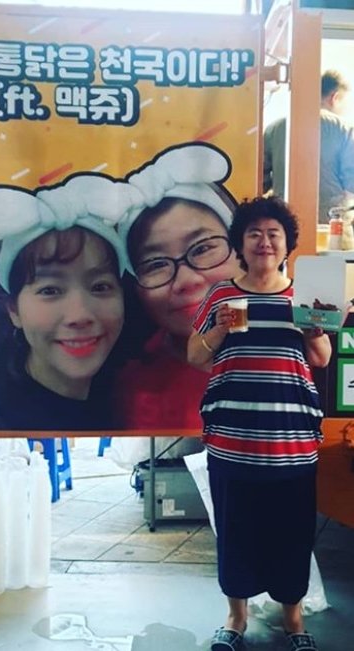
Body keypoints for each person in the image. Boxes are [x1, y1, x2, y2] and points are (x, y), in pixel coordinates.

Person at [188, 196, 331, 651]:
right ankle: (235, 618)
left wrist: (313, 332)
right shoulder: (221, 295)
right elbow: (195, 357)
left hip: (292, 443)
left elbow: (322, 359)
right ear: (240, 244)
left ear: (287, 243)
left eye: (273, 233)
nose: (264, 241)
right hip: (233, 442)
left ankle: (294, 619)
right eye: (254, 233)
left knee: (292, 533)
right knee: (236, 531)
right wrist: (219, 330)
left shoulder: (305, 295)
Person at [0, 174, 137, 431]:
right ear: (14, 310)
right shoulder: (3, 420)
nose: (79, 315)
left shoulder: (126, 395)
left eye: (100, 287)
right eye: (50, 290)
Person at [114, 144, 240, 432]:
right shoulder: (134, 385)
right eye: (156, 264)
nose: (187, 281)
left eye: (204, 248)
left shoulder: (286, 341)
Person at [264, 69, 354, 223]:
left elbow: (262, 181)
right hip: (330, 222)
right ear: (335, 97)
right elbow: (351, 181)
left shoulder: (274, 128)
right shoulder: (344, 128)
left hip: (284, 221)